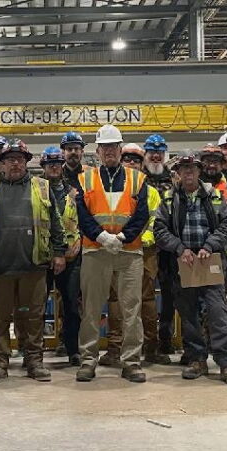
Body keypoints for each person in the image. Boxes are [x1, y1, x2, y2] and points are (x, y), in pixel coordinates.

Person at [0, 139, 65, 382]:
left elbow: (55, 223)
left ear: (26, 163)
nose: (15, 163)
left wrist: (59, 252)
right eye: (10, 159)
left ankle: (34, 361)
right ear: (0, 164)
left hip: (34, 264)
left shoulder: (42, 187)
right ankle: (0, 362)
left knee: (34, 316)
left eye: (20, 159)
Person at [153, 154, 227, 385]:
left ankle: (226, 363)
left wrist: (209, 246)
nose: (188, 172)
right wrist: (180, 248)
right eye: (184, 169)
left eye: (192, 168)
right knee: (189, 314)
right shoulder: (169, 199)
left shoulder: (214, 195)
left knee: (217, 312)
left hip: (209, 260)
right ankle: (196, 360)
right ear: (178, 173)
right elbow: (160, 230)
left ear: (199, 171)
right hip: (184, 263)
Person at [74, 124, 150, 383]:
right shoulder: (85, 178)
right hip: (96, 250)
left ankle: (131, 362)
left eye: (113, 147)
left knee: (131, 309)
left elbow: (142, 215)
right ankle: (88, 360)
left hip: (129, 252)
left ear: (120, 148)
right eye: (104, 147)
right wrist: (101, 236)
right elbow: (82, 214)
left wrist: (123, 237)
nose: (109, 151)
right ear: (98, 150)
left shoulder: (138, 178)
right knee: (92, 309)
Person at [103, 143, 170, 365]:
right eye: (127, 159)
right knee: (115, 300)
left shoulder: (150, 192)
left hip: (144, 250)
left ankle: (151, 348)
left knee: (146, 300)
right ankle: (115, 348)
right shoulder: (112, 189)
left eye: (136, 160)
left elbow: (156, 221)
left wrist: (142, 240)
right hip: (115, 249)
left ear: (142, 165)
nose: (131, 163)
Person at [199, 143, 227, 352]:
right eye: (207, 161)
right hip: (195, 253)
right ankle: (201, 344)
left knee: (224, 301)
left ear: (221, 164)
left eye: (215, 162)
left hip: (225, 252)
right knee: (197, 303)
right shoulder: (190, 187)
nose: (211, 165)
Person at [40, 146, 83, 366]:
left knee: (72, 306)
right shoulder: (34, 190)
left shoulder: (74, 192)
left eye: (57, 163)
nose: (55, 167)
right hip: (43, 256)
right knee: (37, 307)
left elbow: (82, 219)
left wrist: (79, 243)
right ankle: (34, 353)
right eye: (50, 164)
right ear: (44, 167)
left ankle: (73, 349)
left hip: (71, 256)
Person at [142, 134, 177, 356]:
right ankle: (146, 342)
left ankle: (165, 339)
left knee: (171, 296)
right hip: (146, 248)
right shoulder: (136, 181)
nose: (156, 155)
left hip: (170, 248)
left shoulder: (175, 181)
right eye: (152, 151)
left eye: (160, 152)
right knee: (143, 297)